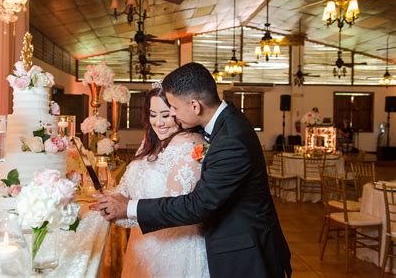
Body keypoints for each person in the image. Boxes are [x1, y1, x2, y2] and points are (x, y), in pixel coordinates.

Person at [91, 62, 292, 277]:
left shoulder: (230, 140)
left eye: (174, 109)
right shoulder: (227, 123)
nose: (173, 116)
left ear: (195, 106)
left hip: (246, 253)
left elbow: (198, 205)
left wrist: (129, 208)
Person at [111, 85, 209, 277]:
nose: (158, 123)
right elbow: (128, 184)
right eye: (152, 114)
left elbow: (177, 209)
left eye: (165, 115)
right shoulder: (150, 142)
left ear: (178, 112)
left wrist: (125, 210)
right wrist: (113, 199)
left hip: (175, 251)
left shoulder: (191, 145)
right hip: (141, 246)